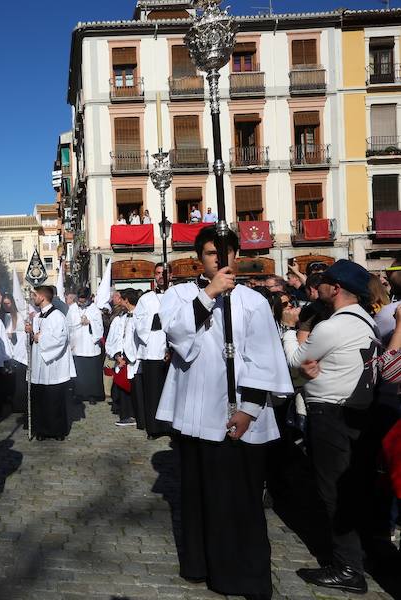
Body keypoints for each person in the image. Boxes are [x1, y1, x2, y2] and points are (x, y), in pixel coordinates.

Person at [157, 225, 293, 599]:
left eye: (225, 252)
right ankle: (199, 564)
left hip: (239, 415)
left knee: (239, 498)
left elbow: (265, 357)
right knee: (199, 493)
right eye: (212, 253)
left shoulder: (254, 301)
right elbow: (176, 336)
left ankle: (241, 575)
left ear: (236, 254)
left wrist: (249, 408)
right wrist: (209, 295)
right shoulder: (179, 295)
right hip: (195, 414)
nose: (220, 259)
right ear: (199, 257)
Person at [281, 260, 380, 594]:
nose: (318, 286)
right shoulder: (366, 321)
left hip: (330, 414)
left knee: (333, 491)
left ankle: (348, 567)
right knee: (347, 488)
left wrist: (289, 330)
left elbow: (295, 361)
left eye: (323, 281)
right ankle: (354, 557)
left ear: (335, 288)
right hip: (354, 413)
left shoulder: (333, 326)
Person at [24, 286, 75, 440]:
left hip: (53, 366)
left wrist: (41, 338)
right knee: (41, 399)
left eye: (35, 295)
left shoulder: (57, 316)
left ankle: (57, 431)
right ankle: (42, 430)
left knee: (54, 399)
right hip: (39, 366)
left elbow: (61, 339)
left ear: (42, 297)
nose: (33, 298)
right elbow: (35, 339)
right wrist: (31, 333)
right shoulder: (38, 316)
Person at [132, 264, 172, 437]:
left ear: (171, 274)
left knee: (172, 391)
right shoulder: (146, 299)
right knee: (153, 392)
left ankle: (172, 427)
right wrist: (153, 321)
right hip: (153, 350)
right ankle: (154, 428)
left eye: (164, 273)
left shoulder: (178, 295)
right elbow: (138, 320)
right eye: (157, 273)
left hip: (175, 351)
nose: (161, 276)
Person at [105, 288, 139, 427]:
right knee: (122, 388)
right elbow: (113, 340)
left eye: (121, 299)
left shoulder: (138, 317)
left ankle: (133, 415)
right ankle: (125, 415)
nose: (119, 302)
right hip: (122, 359)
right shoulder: (121, 319)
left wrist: (129, 357)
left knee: (133, 389)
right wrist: (117, 355)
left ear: (126, 300)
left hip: (134, 359)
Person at [66, 288, 104, 405]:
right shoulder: (72, 308)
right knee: (79, 372)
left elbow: (99, 327)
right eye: (80, 301)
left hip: (90, 345)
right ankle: (79, 394)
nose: (81, 303)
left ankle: (92, 394)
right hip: (77, 345)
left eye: (84, 301)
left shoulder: (94, 309)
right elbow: (67, 324)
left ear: (88, 298)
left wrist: (90, 322)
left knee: (91, 372)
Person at [1, 294, 28, 414]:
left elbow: (22, 333)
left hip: (16, 351)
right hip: (5, 351)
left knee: (17, 380)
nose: (6, 306)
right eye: (4, 304)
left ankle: (18, 404)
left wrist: (13, 335)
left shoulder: (17, 316)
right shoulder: (1, 317)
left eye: (8, 303)